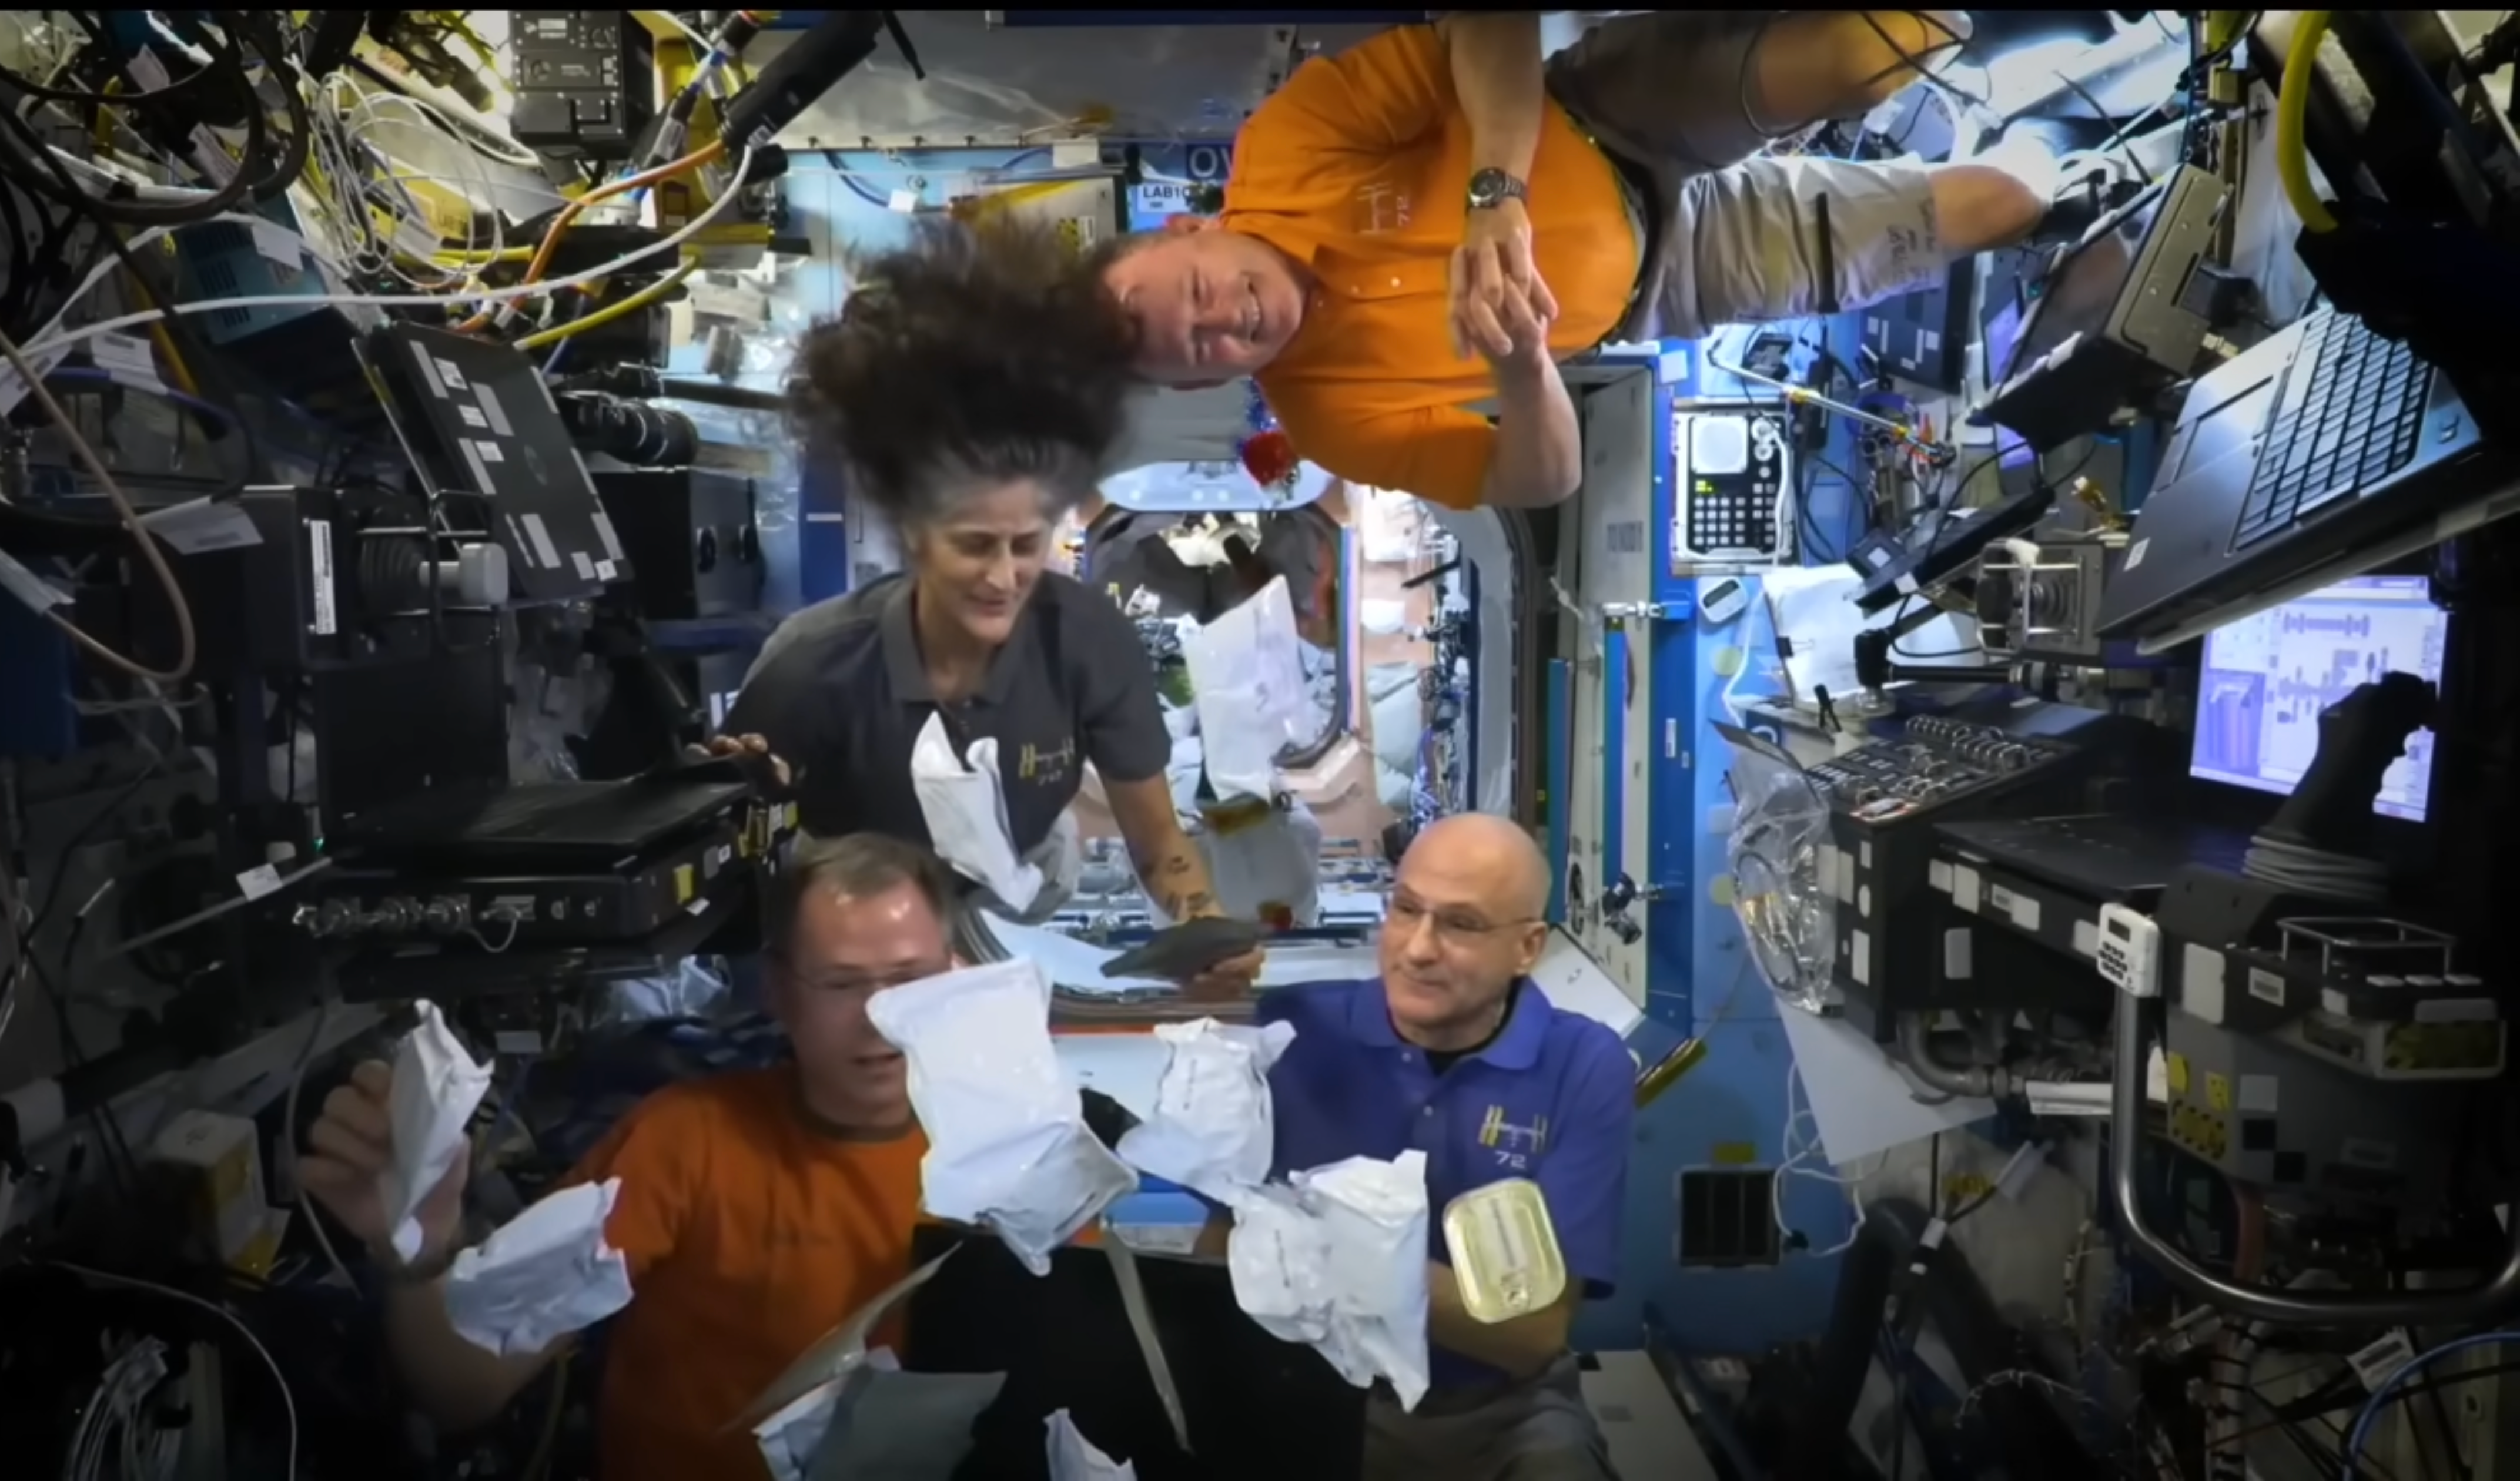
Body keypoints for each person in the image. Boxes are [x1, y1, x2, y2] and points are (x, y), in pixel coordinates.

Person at [1094, 13, 2107, 513]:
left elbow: (1487, 25)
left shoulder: (1289, 146)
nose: (1232, 322)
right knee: (2006, 204)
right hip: (1672, 273)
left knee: (1878, 51)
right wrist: (1522, 372)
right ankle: (2070, 148)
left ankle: (2032, 38)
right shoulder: (1329, 420)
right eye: (1203, 352)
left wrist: (1497, 194)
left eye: (1199, 293)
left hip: (1604, 118)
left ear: (1189, 232)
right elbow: (1539, 482)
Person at [295, 835, 973, 1481]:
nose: (882, 1015)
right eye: (842, 984)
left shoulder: (1023, 1160)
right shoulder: (684, 1145)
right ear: (779, 991)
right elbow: (464, 1389)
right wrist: (419, 1253)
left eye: (909, 979)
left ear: (956, 976)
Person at [705, 222, 1263, 996]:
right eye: (975, 546)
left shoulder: (1087, 639)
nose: (1004, 578)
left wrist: (1200, 923)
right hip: (854, 934)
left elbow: (1157, 838)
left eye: (1026, 545)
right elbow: (737, 875)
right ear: (915, 537)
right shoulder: (814, 670)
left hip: (1010, 896)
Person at [1256, 813, 1635, 1480]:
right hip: (1307, 1392)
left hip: (1498, 1412)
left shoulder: (1583, 1065)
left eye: (1460, 925)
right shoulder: (1291, 1034)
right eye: (1405, 910)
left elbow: (1530, 1334)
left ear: (1528, 948)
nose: (1417, 948)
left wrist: (1320, 1252)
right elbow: (1217, 1255)